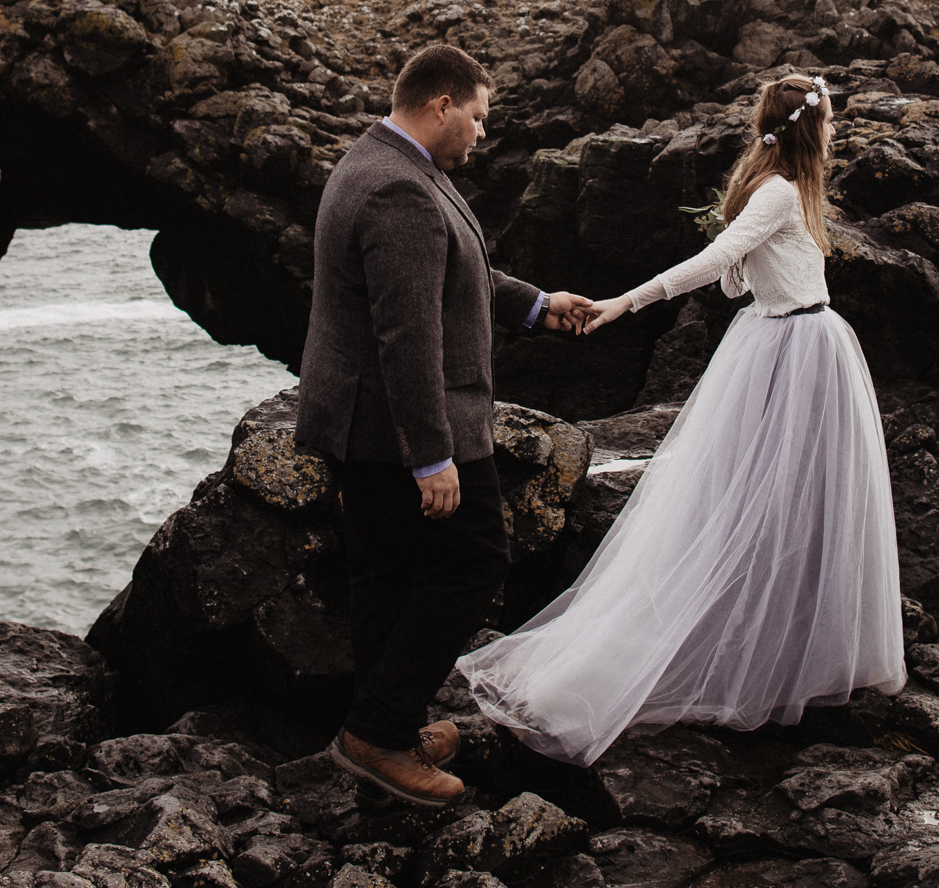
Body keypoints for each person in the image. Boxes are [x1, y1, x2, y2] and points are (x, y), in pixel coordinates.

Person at [453, 72, 904, 765]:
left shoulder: (788, 190)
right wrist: (627, 302)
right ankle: (766, 654)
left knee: (794, 504)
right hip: (796, 353)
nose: (838, 129)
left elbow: (741, 276)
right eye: (833, 119)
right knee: (769, 506)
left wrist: (745, 263)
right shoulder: (782, 191)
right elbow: (717, 262)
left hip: (795, 346)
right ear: (812, 127)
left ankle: (791, 647)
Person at [294, 43, 594, 806]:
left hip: (359, 419)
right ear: (441, 105)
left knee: (386, 574)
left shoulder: (383, 162)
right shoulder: (399, 190)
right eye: (479, 118)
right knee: (472, 562)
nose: (482, 135)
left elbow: (452, 273)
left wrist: (535, 303)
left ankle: (383, 729)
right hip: (397, 428)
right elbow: (407, 336)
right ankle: (376, 732)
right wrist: (431, 456)